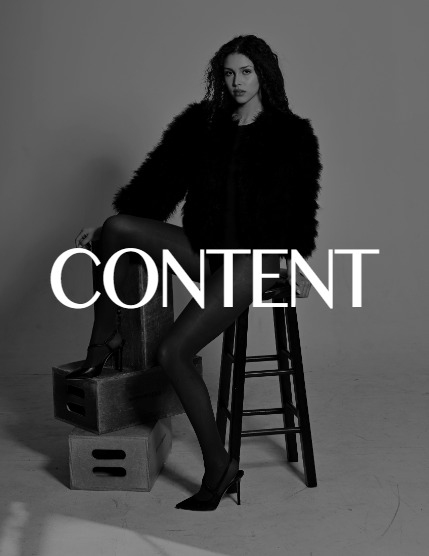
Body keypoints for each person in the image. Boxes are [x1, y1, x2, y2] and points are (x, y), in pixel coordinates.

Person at [68, 34, 322, 511]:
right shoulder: (202, 124)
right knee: (117, 228)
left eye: (245, 71)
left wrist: (292, 258)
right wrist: (103, 228)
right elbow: (158, 183)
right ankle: (102, 343)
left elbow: (298, 207)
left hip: (257, 259)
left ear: (263, 74)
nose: (236, 81)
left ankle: (219, 467)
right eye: (228, 73)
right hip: (208, 250)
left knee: (172, 352)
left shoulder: (290, 133)